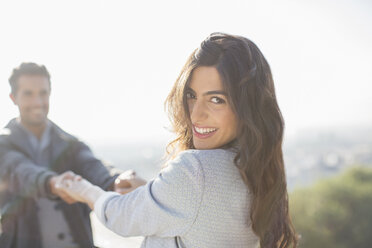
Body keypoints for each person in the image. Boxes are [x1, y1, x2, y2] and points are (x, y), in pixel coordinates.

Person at [58, 33, 298, 248]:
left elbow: (122, 217)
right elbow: (203, 214)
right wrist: (152, 192)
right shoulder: (254, 169)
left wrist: (84, 190)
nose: (195, 114)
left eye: (216, 100)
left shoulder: (195, 169)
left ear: (248, 106)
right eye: (192, 96)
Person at [0, 62, 143, 248]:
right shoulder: (4, 145)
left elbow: (94, 167)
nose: (37, 102)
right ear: (13, 98)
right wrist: (52, 183)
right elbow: (20, 172)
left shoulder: (71, 144)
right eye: (28, 94)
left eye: (43, 93)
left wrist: (117, 180)